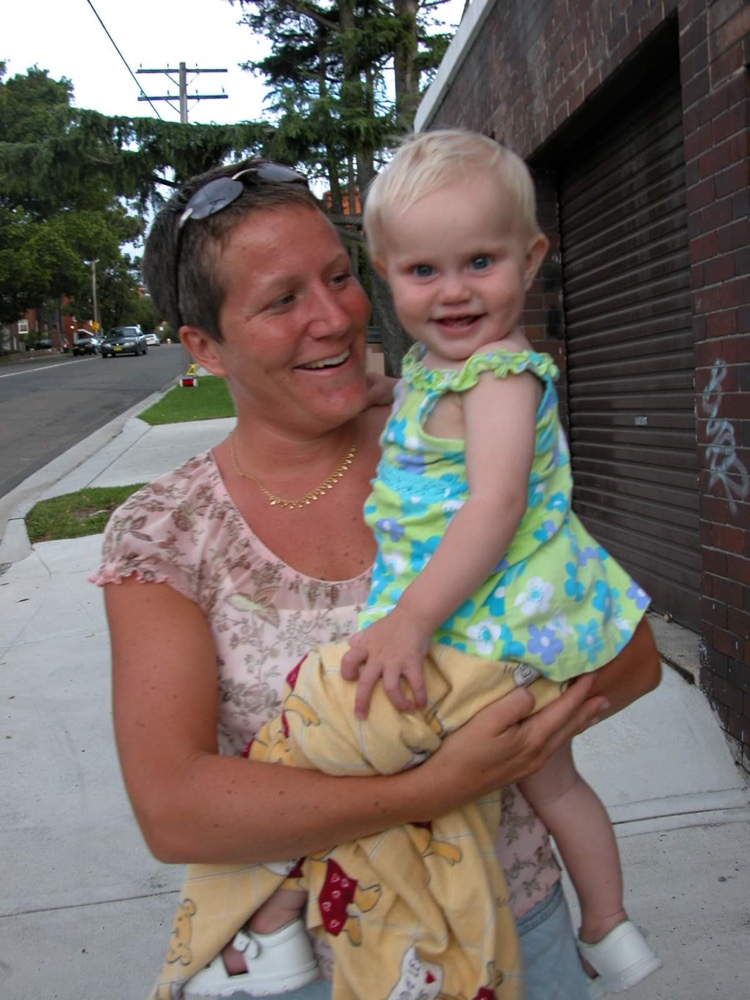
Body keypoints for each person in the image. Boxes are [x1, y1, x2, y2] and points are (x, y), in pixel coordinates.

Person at [90, 156, 659, 1000]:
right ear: (204, 347)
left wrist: (494, 722)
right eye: (282, 300)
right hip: (314, 972)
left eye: (338, 277)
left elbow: (630, 658)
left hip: (514, 921)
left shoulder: (449, 443)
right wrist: (434, 786)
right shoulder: (167, 532)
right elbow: (176, 810)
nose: (332, 318)